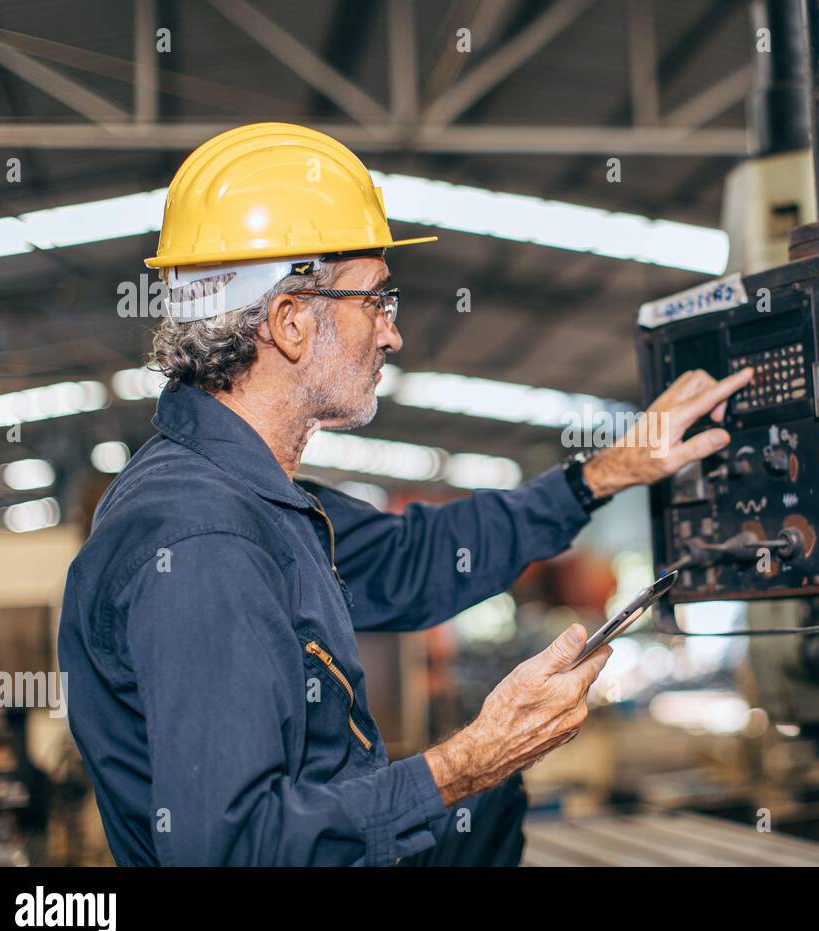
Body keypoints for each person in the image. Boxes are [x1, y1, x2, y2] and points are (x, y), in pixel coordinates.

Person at [57, 123, 753, 866]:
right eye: (376, 301)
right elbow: (232, 852)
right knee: (480, 792)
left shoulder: (252, 499)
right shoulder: (204, 544)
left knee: (487, 812)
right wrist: (471, 759)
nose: (392, 335)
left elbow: (419, 558)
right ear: (292, 321)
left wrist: (607, 471)